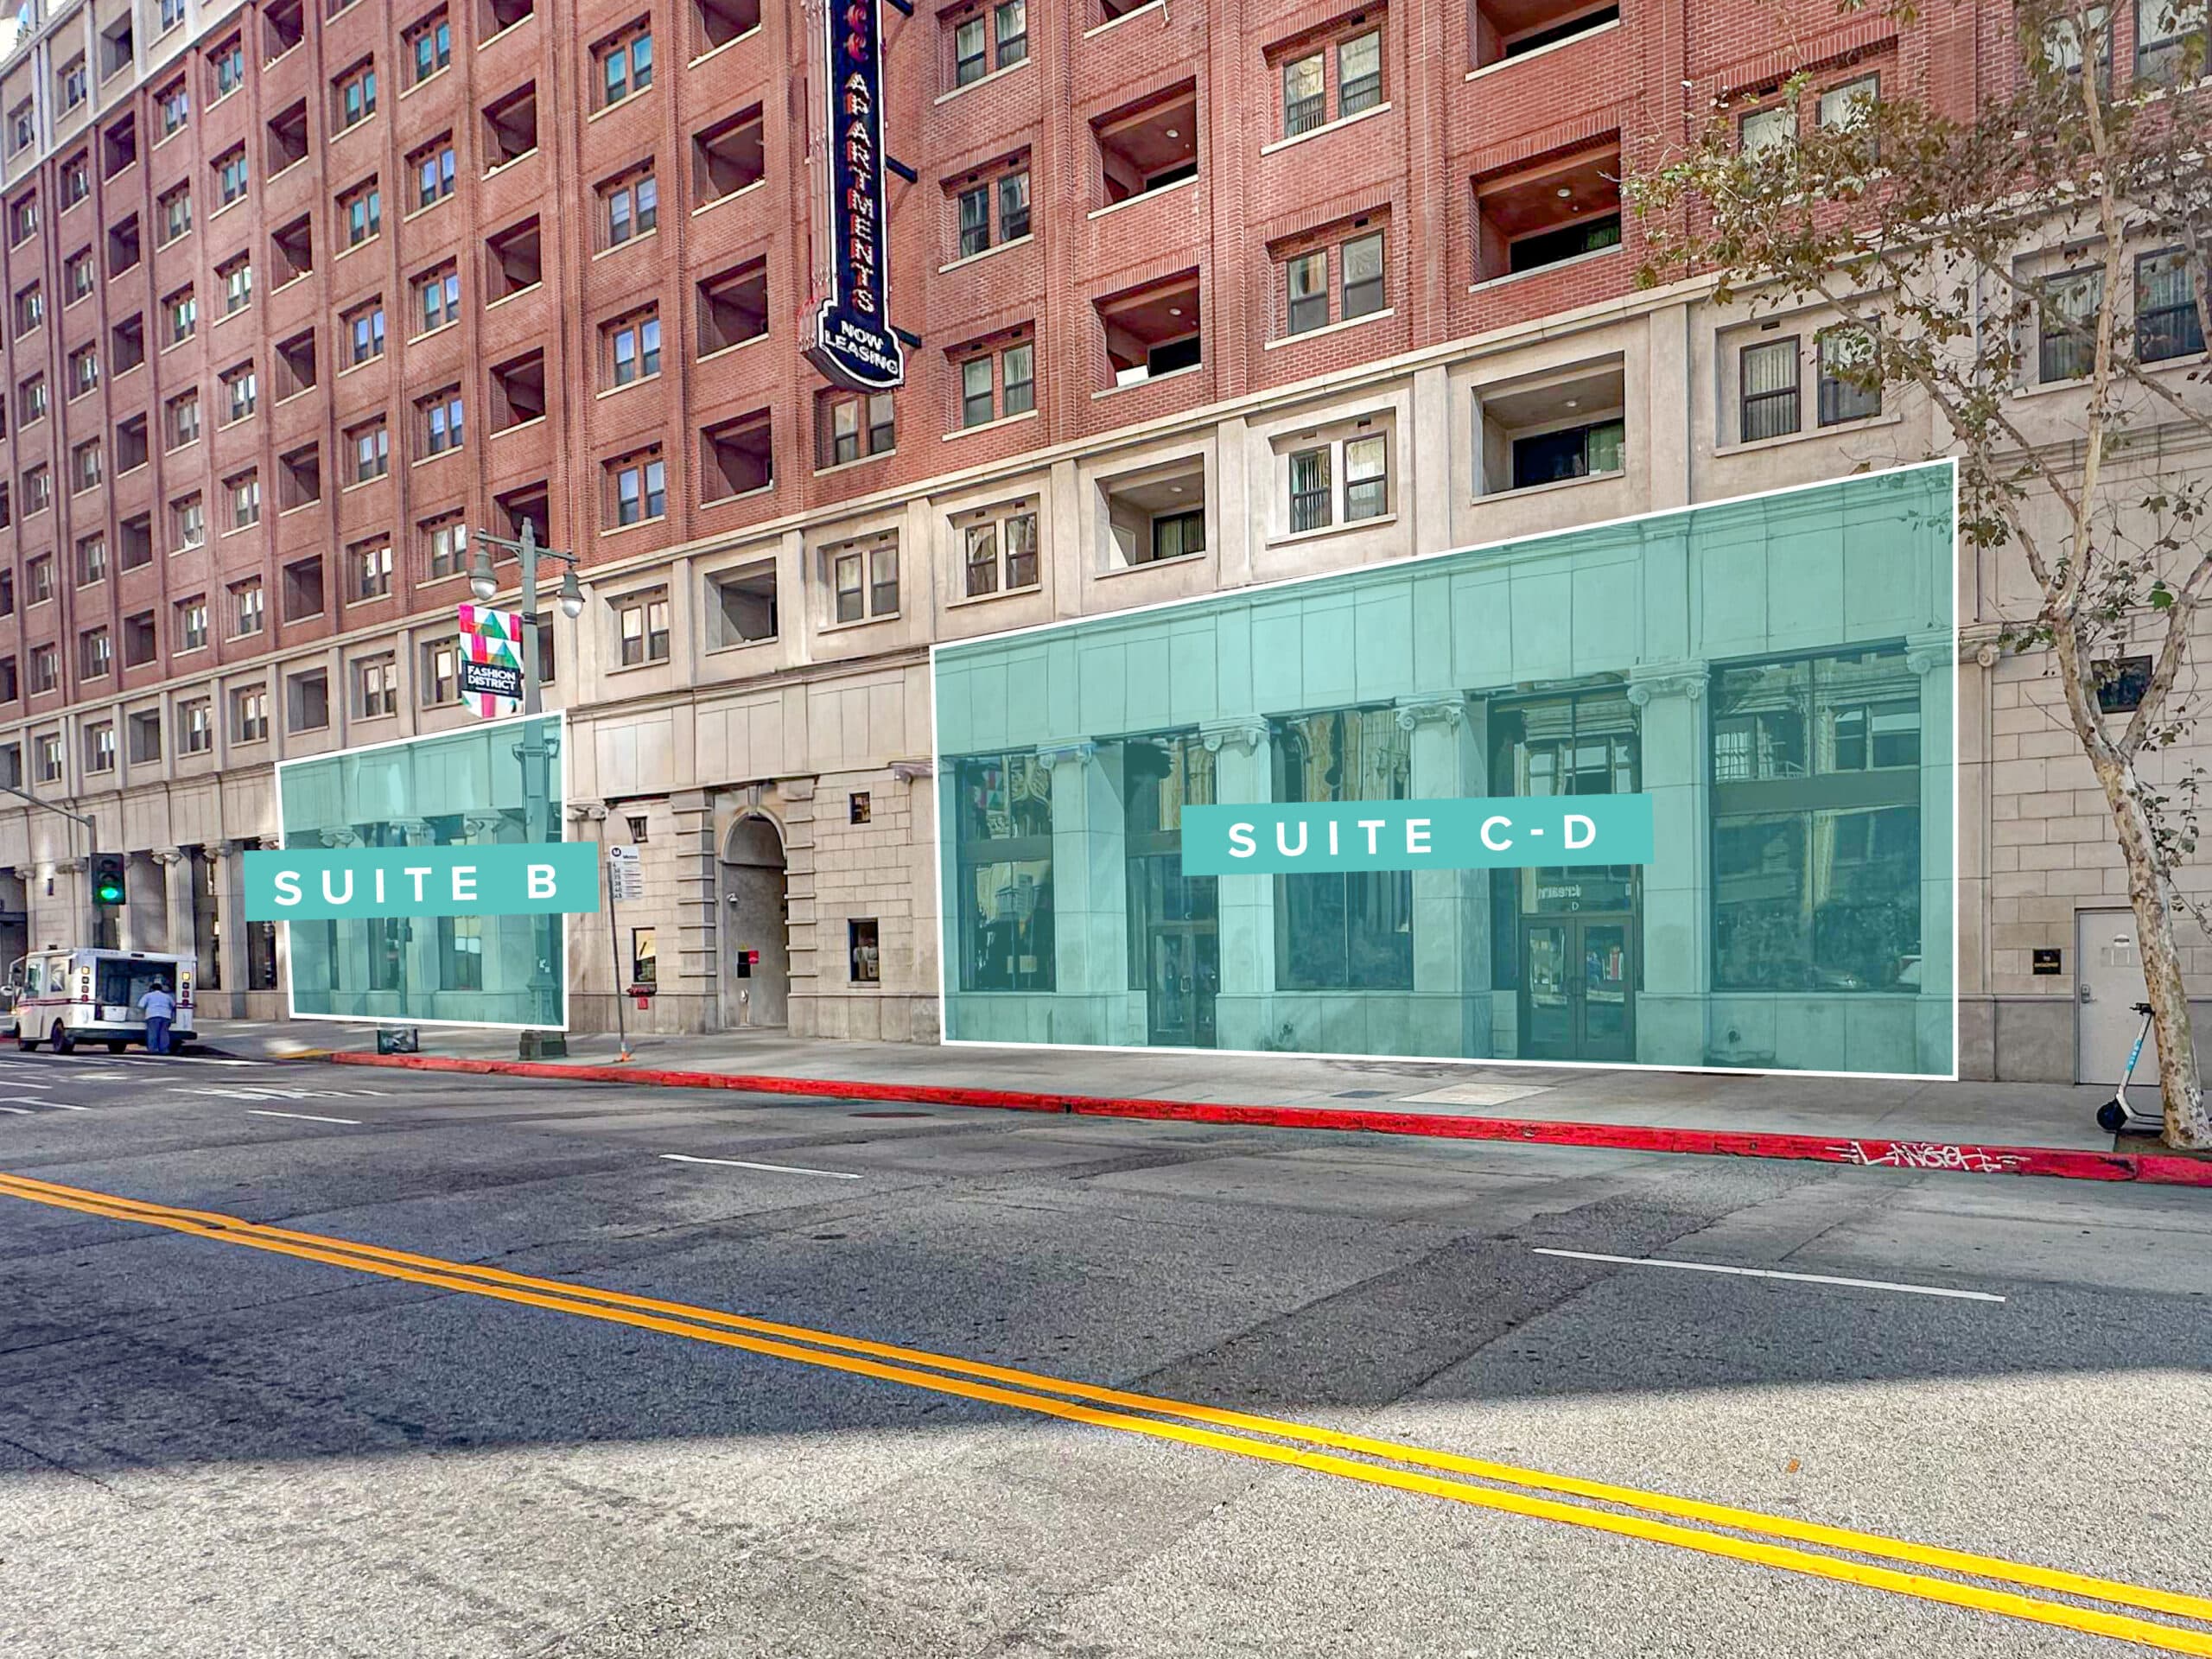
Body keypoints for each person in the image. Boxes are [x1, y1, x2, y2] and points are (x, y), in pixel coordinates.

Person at [137, 982, 176, 1056]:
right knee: (164, 1033)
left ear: (152, 989)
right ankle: (164, 1049)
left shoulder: (148, 995)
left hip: (152, 1015)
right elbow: (173, 1005)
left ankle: (153, 1049)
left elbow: (141, 1005)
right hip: (165, 1016)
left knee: (153, 1033)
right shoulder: (167, 996)